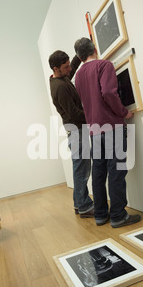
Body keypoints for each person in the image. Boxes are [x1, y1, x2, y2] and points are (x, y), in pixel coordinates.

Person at [73, 37, 141, 228]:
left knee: (99, 172)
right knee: (116, 171)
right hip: (112, 127)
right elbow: (109, 93)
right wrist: (124, 112)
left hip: (94, 130)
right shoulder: (104, 65)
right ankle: (119, 215)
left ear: (79, 56)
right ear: (94, 48)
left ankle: (101, 215)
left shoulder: (78, 76)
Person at [48, 50, 94, 218]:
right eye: (65, 67)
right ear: (56, 68)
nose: (69, 69)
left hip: (75, 130)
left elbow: (72, 69)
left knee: (79, 167)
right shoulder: (59, 87)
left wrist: (78, 54)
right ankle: (84, 206)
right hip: (76, 130)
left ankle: (78, 203)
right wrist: (94, 116)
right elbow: (74, 113)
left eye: (68, 65)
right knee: (82, 169)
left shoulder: (59, 77)